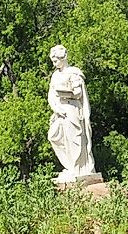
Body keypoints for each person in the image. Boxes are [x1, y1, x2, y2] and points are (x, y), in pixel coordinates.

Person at [48, 45, 96, 183]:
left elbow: (78, 93)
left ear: (62, 58)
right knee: (54, 136)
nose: (54, 63)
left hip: (72, 108)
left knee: (75, 138)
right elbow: (51, 95)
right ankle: (69, 166)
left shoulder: (74, 72)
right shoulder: (55, 75)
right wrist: (56, 108)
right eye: (53, 60)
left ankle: (78, 168)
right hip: (60, 110)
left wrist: (66, 90)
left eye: (55, 60)